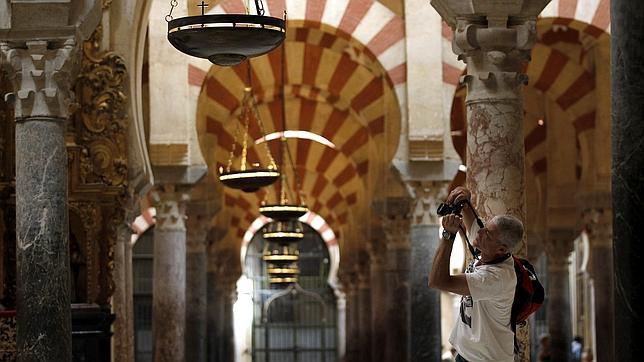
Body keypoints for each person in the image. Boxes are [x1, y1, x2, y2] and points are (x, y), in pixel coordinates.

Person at [429, 186, 524, 362]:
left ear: (501, 248)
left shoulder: (496, 278)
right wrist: (464, 198)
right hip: (468, 355)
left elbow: (437, 281)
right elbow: (472, 221)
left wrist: (448, 235)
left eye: (487, 233)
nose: (480, 232)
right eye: (485, 227)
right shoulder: (489, 250)